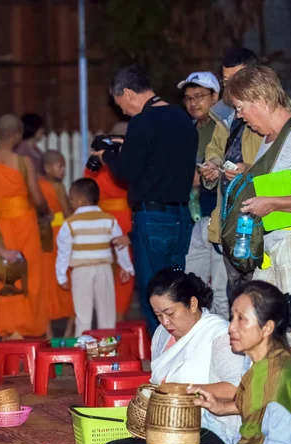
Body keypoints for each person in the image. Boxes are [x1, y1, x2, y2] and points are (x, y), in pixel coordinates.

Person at [97, 268, 246, 444]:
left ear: (192, 304)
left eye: (170, 313)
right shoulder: (161, 334)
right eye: (158, 315)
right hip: (168, 432)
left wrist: (184, 392)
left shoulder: (219, 336)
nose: (165, 322)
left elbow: (237, 388)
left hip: (212, 432)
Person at [92, 64, 197, 334]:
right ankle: (184, 351)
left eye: (120, 105)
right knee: (178, 292)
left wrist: (108, 156)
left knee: (155, 293)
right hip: (182, 217)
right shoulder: (182, 117)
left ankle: (161, 359)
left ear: (128, 93)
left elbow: (128, 171)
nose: (123, 112)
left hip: (152, 218)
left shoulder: (141, 122)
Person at [223, 66, 291, 346]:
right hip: (272, 253)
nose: (240, 116)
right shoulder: (270, 140)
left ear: (262, 101)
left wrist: (271, 203)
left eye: (241, 108)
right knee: (272, 340)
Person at [185, 281, 291, 444]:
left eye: (241, 319)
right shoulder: (259, 364)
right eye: (232, 318)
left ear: (267, 328)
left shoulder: (284, 376)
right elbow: (263, 405)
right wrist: (220, 407)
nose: (231, 328)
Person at [0, 114, 49, 338]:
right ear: (16, 135)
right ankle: (30, 328)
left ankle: (9, 329)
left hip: (0, 228)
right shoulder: (23, 162)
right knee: (32, 276)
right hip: (25, 225)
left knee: (5, 275)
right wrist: (44, 209)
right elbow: (37, 198)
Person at [200, 48, 262, 292]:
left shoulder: (278, 111)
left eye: (237, 79)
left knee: (264, 294)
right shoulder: (225, 113)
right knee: (236, 293)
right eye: (226, 82)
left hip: (260, 216)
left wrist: (249, 169)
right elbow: (214, 148)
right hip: (230, 216)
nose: (231, 86)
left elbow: (282, 164)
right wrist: (213, 167)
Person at [178, 71, 229, 318]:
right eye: (188, 98)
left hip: (219, 214)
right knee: (194, 285)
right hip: (193, 217)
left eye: (199, 96)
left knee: (220, 286)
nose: (193, 103)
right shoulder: (187, 130)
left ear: (215, 96)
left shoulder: (226, 126)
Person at [56, 178, 133, 336]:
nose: (70, 202)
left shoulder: (70, 223)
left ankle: (83, 353)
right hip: (104, 270)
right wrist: (126, 267)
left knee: (83, 315)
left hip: (81, 272)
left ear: (79, 200)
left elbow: (63, 251)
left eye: (71, 198)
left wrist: (61, 275)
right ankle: (108, 352)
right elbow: (120, 244)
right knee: (107, 313)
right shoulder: (109, 220)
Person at [84, 123, 135, 319]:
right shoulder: (106, 161)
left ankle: (114, 319)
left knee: (118, 271)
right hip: (119, 221)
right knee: (119, 272)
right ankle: (113, 319)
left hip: (105, 222)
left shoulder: (120, 161)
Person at [38, 150, 74, 338]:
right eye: (59, 166)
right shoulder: (55, 187)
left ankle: (51, 332)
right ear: (47, 168)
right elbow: (68, 213)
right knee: (59, 281)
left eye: (63, 166)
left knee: (49, 283)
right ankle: (63, 331)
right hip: (57, 237)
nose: (63, 170)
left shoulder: (39, 186)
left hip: (49, 238)